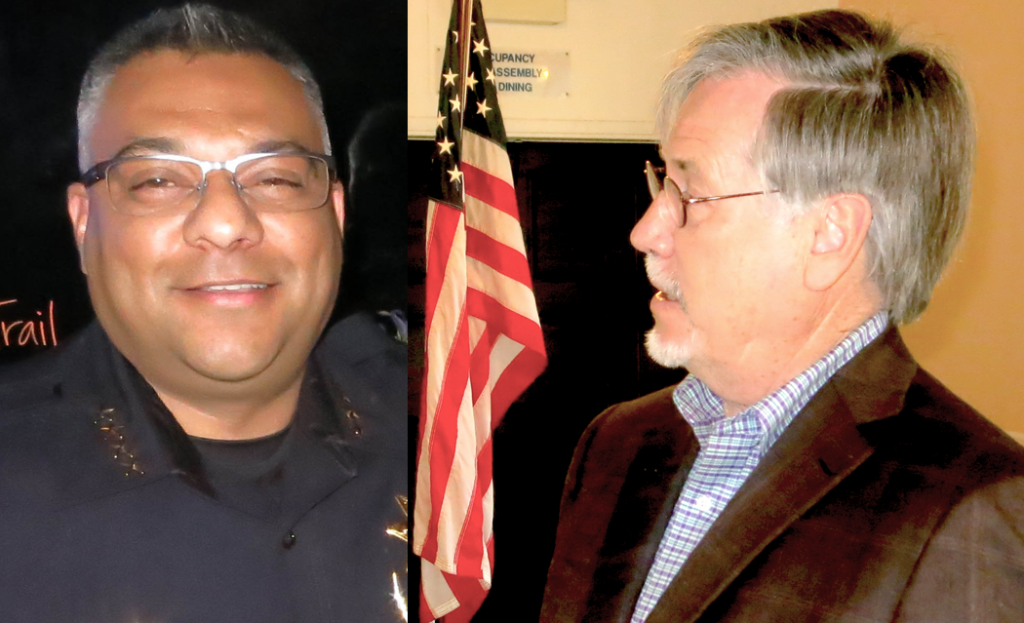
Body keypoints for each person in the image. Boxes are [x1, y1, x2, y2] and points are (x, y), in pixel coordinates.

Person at [541, 10, 1024, 623]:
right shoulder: (616, 444)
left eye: (690, 194)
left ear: (829, 235)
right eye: (661, 178)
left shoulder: (970, 514)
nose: (646, 231)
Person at [0, 5, 406, 622]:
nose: (225, 224)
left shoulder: (448, 450)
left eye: (275, 179)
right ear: (85, 226)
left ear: (336, 216)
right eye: (158, 180)